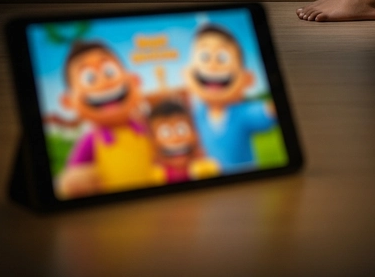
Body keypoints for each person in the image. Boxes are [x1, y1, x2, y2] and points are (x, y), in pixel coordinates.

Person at [55, 41, 162, 198]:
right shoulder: (91, 140)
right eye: (90, 78)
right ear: (68, 101)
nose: (104, 83)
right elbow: (72, 177)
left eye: (110, 72)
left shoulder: (147, 126)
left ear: (134, 80)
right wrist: (75, 181)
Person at [185, 24, 277, 172]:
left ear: (247, 78)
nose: (212, 66)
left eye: (222, 58)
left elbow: (268, 111)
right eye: (204, 57)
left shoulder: (242, 112)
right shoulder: (199, 114)